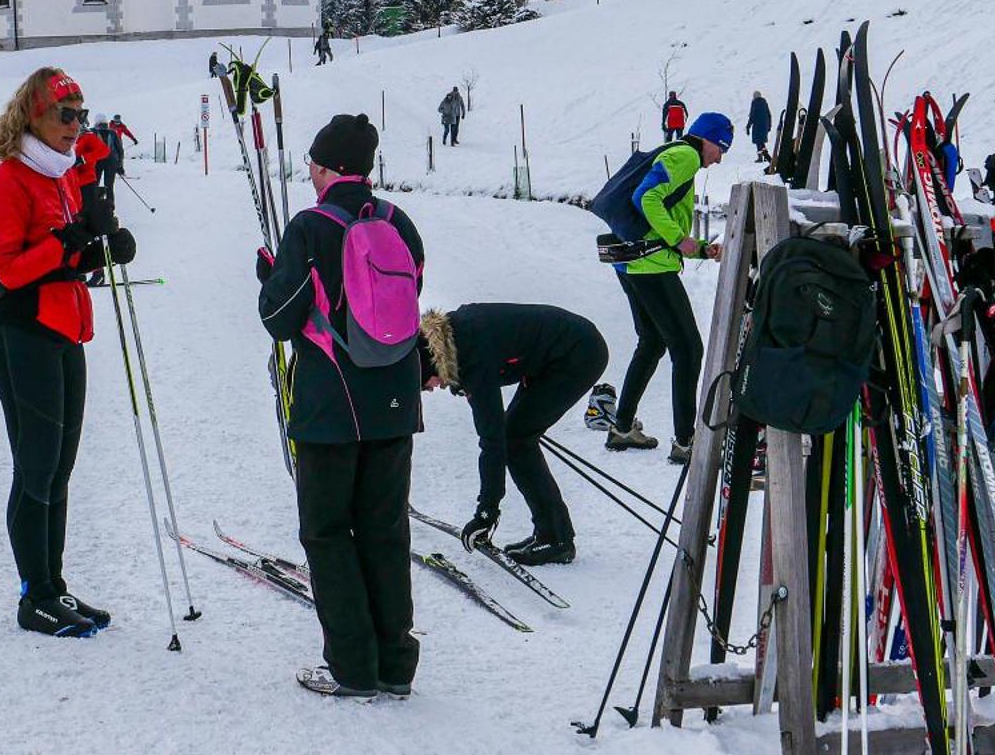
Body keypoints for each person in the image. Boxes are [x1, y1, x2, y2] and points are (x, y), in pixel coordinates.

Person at [256, 111, 424, 701]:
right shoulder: (400, 221)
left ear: (328, 167)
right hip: (397, 398)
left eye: (313, 162)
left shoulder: (310, 225)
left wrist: (269, 277)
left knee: (328, 532)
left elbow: (279, 319)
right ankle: (396, 665)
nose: (308, 171)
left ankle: (352, 665)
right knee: (385, 528)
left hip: (332, 402)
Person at [0, 68, 133, 638]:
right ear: (32, 118)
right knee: (37, 467)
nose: (75, 126)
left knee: (61, 469)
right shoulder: (8, 182)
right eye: (64, 115)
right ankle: (33, 594)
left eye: (80, 115)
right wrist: (66, 242)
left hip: (66, 331)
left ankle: (53, 584)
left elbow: (65, 264)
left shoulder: (64, 178)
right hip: (22, 336)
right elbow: (11, 269)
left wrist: (102, 252)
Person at [416, 304, 608, 565]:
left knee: (515, 441)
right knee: (516, 437)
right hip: (553, 353)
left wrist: (486, 512)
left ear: (430, 364)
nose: (434, 388)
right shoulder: (453, 338)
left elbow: (492, 440)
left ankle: (556, 539)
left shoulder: (473, 357)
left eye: (428, 385)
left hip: (578, 353)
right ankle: (551, 532)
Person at [607, 112, 730, 464]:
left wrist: (701, 248)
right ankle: (686, 442)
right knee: (688, 349)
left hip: (633, 262)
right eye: (720, 148)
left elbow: (660, 213)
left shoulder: (675, 153)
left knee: (652, 342)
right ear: (705, 139)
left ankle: (623, 426)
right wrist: (679, 238)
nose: (719, 157)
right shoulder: (685, 156)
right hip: (651, 267)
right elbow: (646, 198)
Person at [746, 91, 773, 164]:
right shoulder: (764, 103)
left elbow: (752, 115)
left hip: (757, 126)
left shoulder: (755, 103)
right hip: (765, 125)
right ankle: (765, 156)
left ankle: (760, 157)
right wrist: (769, 125)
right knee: (761, 141)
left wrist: (748, 126)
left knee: (758, 141)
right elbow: (769, 114)